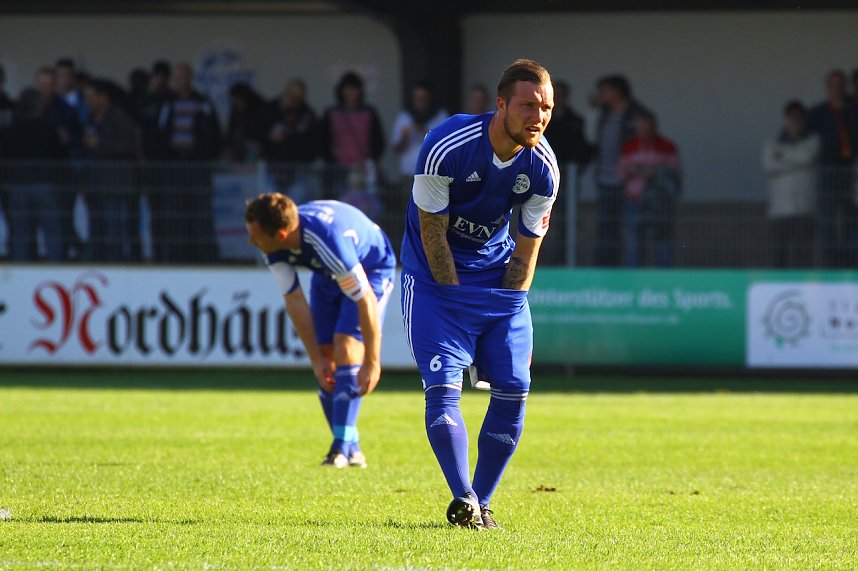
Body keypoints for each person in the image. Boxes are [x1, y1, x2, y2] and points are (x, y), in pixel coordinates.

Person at [399, 59, 558, 529]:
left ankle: (480, 504)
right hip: (435, 282)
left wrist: (507, 308)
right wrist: (458, 308)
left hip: (496, 281)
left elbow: (527, 251)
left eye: (547, 108)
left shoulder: (544, 168)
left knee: (514, 389)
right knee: (443, 390)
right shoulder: (445, 145)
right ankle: (461, 493)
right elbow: (433, 234)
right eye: (528, 105)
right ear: (501, 104)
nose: (538, 116)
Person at [244, 193, 396, 468]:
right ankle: (352, 449)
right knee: (327, 360)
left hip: (371, 267)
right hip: (327, 273)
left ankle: (340, 448)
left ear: (281, 234)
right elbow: (294, 299)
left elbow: (365, 300)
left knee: (346, 347)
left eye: (255, 237)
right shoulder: (273, 244)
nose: (251, 242)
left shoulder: (328, 242)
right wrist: (316, 359)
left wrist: (372, 362)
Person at [154, 62, 221, 263]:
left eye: (182, 77)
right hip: (173, 166)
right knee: (175, 213)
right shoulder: (166, 103)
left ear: (190, 79)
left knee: (201, 213)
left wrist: (206, 155)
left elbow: (214, 133)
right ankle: (177, 258)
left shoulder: (202, 103)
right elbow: (158, 132)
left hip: (197, 165)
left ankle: (205, 258)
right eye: (175, 78)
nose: (178, 82)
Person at [0, 88, 65, 261]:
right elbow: (60, 157)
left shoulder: (10, 131)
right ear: (39, 107)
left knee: (20, 233)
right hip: (45, 185)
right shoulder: (49, 130)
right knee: (52, 231)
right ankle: (55, 266)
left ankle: (20, 266)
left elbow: (4, 158)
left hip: (18, 186)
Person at [81, 79, 139, 262]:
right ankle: (97, 259)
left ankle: (115, 261)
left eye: (91, 97)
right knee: (96, 225)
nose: (88, 101)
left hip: (115, 183)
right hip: (94, 181)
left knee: (115, 226)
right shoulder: (90, 117)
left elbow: (128, 147)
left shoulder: (118, 116)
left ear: (103, 97)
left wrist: (100, 145)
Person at [592, 74, 647, 267]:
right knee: (606, 228)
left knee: (632, 228)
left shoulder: (636, 114)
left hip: (629, 182)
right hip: (605, 179)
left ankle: (633, 270)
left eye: (604, 91)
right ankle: (606, 269)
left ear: (617, 91)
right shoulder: (604, 114)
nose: (600, 95)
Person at [807, 69, 858, 268]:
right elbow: (803, 138)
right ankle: (831, 264)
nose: (837, 89)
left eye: (841, 84)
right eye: (833, 85)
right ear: (827, 88)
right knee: (827, 220)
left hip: (850, 173)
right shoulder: (817, 113)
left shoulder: (853, 111)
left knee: (850, 220)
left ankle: (850, 263)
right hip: (827, 173)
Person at [619, 110, 682, 267]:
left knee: (663, 245)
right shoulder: (629, 147)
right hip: (635, 201)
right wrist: (642, 171)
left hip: (660, 205)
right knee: (634, 245)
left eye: (647, 130)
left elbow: (675, 173)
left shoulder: (667, 146)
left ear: (654, 127)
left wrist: (652, 172)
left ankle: (664, 277)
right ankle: (634, 278)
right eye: (640, 130)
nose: (644, 134)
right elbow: (621, 173)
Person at [763, 101, 820, 268]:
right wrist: (798, 163)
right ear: (786, 118)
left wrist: (781, 158)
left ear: (803, 120)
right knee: (778, 257)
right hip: (779, 211)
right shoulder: (772, 143)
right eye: (791, 116)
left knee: (803, 257)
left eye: (798, 117)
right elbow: (768, 165)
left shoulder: (813, 140)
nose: (795, 120)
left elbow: (807, 157)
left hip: (805, 209)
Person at [541, 80, 592, 264]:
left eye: (562, 94)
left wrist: (576, 169)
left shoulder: (575, 121)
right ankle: (543, 260)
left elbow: (584, 148)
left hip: (568, 180)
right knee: (542, 220)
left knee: (567, 221)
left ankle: (565, 260)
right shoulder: (542, 119)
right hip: (544, 178)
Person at [319, 72, 385, 181]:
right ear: (341, 91)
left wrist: (371, 159)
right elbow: (323, 140)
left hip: (364, 168)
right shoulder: (331, 113)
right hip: (337, 169)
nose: (351, 93)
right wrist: (331, 160)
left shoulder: (369, 113)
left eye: (354, 89)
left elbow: (378, 140)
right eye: (348, 89)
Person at [391, 82, 449, 186]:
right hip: (409, 172)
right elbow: (396, 149)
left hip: (434, 174)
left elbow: (446, 146)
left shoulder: (440, 116)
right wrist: (404, 137)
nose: (420, 102)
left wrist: (421, 130)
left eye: (423, 98)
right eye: (417, 98)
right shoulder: (404, 117)